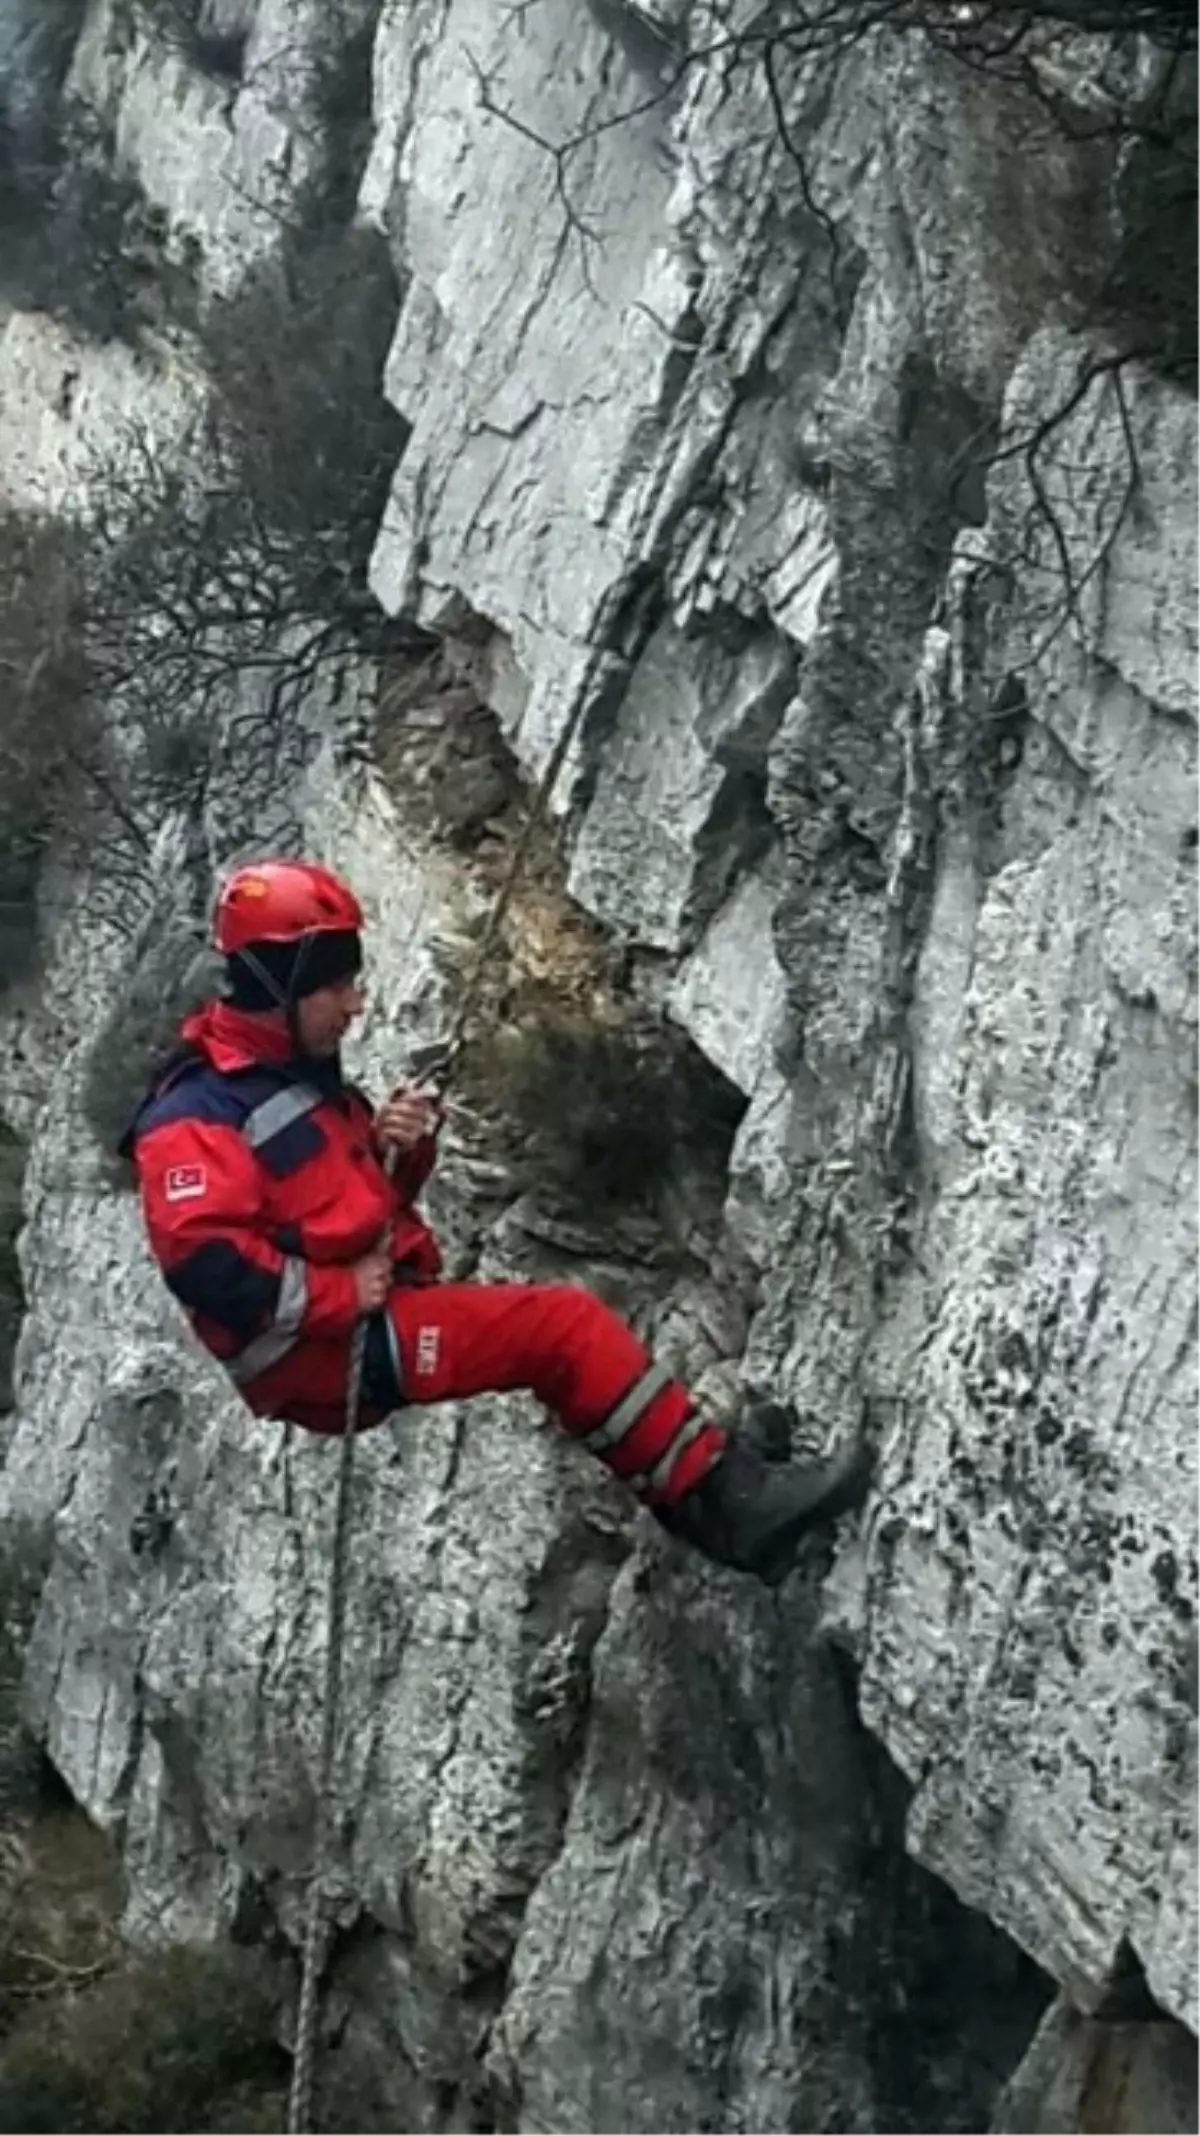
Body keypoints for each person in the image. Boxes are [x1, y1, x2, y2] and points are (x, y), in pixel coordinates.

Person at [125, 860, 869, 1585]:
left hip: (350, 1322)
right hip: (318, 1352)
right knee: (560, 1331)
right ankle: (734, 1507)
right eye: (336, 986)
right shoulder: (196, 1117)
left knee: (560, 1335)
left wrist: (395, 1148)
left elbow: (351, 1205)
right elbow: (206, 1263)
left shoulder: (289, 1075)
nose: (355, 1004)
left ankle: (716, 1494)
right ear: (279, 988)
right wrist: (341, 1294)